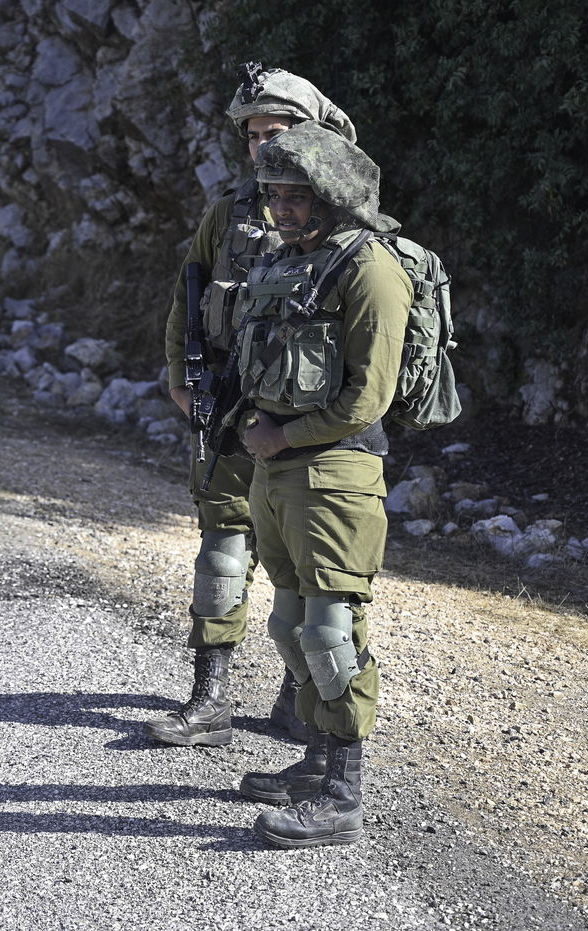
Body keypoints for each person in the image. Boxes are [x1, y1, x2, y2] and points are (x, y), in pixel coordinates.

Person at [146, 65, 356, 749]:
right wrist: (181, 377)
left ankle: (307, 707)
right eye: (254, 135)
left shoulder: (343, 219)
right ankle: (210, 699)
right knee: (222, 552)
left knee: (311, 569)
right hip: (230, 414)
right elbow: (188, 293)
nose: (263, 146)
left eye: (278, 132)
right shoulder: (228, 214)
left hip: (307, 427)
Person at [228, 121, 410, 846]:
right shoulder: (289, 262)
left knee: (332, 632)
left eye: (296, 196)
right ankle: (313, 760)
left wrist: (285, 436)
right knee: (289, 625)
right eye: (274, 194)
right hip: (278, 468)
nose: (281, 208)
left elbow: (370, 397)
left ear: (333, 196)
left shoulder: (372, 270)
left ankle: (342, 794)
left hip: (336, 471)